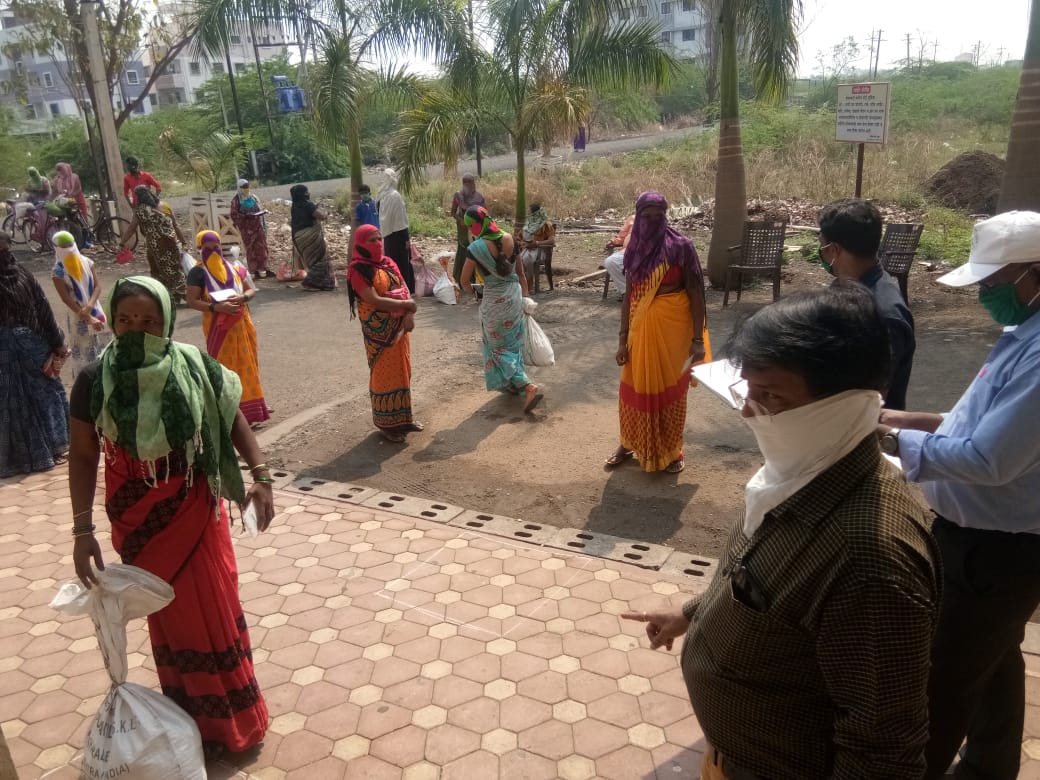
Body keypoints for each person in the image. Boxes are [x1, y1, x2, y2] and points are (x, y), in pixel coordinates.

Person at [624, 286, 941, 779]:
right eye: (746, 390)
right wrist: (693, 612)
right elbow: (763, 586)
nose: (749, 412)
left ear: (846, 401)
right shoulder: (798, 475)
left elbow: (882, 751)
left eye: (769, 394)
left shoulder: (870, 557)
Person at [67, 275, 274, 760]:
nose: (136, 329)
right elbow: (81, 456)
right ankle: (193, 723)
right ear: (112, 322)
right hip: (136, 518)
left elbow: (232, 418)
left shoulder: (192, 364)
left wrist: (260, 477)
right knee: (171, 619)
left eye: (149, 321)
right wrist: (82, 530)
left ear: (165, 320)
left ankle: (234, 723)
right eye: (124, 320)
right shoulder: (94, 380)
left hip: (194, 505)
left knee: (215, 606)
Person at [877, 210, 1040, 780]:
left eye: (994, 284)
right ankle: (991, 765)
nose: (985, 295)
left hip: (997, 548)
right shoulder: (1024, 334)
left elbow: (988, 458)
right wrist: (892, 415)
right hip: (982, 538)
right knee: (992, 658)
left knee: (943, 678)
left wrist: (891, 439)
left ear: (1035, 273)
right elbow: (973, 422)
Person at [605, 192, 709, 473]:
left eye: (657, 216)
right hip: (639, 332)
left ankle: (673, 450)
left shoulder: (680, 246)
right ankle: (628, 442)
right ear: (637, 217)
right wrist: (622, 339)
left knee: (669, 392)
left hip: (674, 332)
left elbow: (696, 292)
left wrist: (698, 340)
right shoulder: (635, 248)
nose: (651, 221)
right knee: (634, 388)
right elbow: (629, 296)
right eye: (645, 216)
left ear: (666, 216)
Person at [818, 198, 915, 410]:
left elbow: (871, 394)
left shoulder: (883, 313)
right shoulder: (845, 287)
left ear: (834, 250)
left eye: (822, 246)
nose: (822, 253)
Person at [460, 205, 542, 413]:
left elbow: (464, 282)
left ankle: (527, 385)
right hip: (514, 297)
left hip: (493, 302)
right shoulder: (509, 239)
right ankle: (514, 386)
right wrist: (525, 298)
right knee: (513, 344)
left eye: (471, 227)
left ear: (476, 226)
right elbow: (521, 274)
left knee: (496, 348)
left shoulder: (476, 248)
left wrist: (477, 293)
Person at [0, 230, 70, 477]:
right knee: (37, 397)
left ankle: (40, 451)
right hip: (24, 347)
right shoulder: (23, 275)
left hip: (23, 348)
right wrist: (56, 342)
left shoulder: (23, 275)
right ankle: (46, 449)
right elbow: (43, 308)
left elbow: (42, 308)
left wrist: (56, 343)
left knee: (33, 398)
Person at [185, 230, 271, 427]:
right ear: (200, 249)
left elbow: (250, 289)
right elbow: (192, 300)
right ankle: (231, 411)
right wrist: (216, 307)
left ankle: (254, 408)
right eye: (207, 248)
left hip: (242, 324)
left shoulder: (234, 267)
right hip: (219, 328)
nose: (212, 251)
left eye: (215, 247)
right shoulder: (198, 273)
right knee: (224, 368)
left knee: (248, 365)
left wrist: (243, 298)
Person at [347, 224, 424, 443]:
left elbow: (403, 287)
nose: (378, 243)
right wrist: (407, 306)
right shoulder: (358, 270)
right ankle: (386, 424)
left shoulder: (388, 263)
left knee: (403, 369)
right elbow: (374, 300)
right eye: (372, 240)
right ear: (361, 244)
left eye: (379, 238)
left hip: (399, 326)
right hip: (379, 331)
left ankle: (404, 418)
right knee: (384, 373)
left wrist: (408, 313)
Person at [51, 230, 112, 379]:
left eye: (70, 245)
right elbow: (66, 299)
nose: (69, 249)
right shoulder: (58, 271)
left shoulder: (87, 262)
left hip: (96, 310)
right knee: (85, 351)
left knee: (105, 345)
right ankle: (86, 384)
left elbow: (97, 287)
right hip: (77, 315)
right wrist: (87, 317)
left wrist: (90, 307)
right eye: (64, 247)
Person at [121, 186, 188, 304]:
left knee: (160, 271)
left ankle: (178, 295)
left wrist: (122, 242)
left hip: (156, 246)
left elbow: (132, 228)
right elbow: (175, 225)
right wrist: (183, 242)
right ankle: (174, 296)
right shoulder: (164, 205)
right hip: (172, 243)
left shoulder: (140, 210)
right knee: (174, 268)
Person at [289, 184, 335, 291]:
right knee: (320, 259)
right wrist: (325, 212)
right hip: (310, 236)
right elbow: (321, 216)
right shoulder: (308, 204)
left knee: (311, 260)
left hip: (298, 237)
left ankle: (318, 283)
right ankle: (312, 283)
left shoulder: (295, 206)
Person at [377, 168, 414, 294]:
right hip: (399, 236)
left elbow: (380, 215)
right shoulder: (395, 196)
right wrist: (407, 238)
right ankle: (405, 288)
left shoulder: (381, 196)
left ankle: (393, 287)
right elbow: (401, 220)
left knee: (391, 262)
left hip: (387, 236)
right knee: (403, 263)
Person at [230, 179, 272, 279]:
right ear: (239, 188)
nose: (246, 190)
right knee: (250, 249)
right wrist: (245, 216)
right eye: (244, 188)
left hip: (258, 227)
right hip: (247, 229)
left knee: (261, 247)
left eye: (247, 187)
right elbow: (234, 215)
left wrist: (262, 213)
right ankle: (253, 270)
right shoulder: (236, 201)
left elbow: (259, 209)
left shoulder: (253, 197)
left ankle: (263, 269)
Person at [450, 173, 485, 285]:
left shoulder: (479, 197)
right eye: (467, 183)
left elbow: (484, 213)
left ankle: (476, 279)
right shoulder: (458, 196)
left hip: (476, 227)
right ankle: (462, 278)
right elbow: (453, 212)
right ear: (463, 184)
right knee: (465, 250)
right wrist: (460, 220)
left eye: (472, 183)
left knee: (476, 250)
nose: (470, 185)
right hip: (463, 228)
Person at [519, 202, 556, 286]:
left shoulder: (546, 225)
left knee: (526, 259)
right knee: (517, 259)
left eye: (530, 212)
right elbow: (519, 238)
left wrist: (537, 243)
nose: (529, 214)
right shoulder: (527, 225)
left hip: (540, 251)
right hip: (525, 249)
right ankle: (522, 285)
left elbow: (551, 241)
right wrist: (521, 243)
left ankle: (528, 285)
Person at [603, 213, 635, 296]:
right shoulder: (633, 218)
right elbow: (622, 237)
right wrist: (613, 241)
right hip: (628, 252)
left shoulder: (658, 220)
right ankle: (627, 293)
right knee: (611, 261)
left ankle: (641, 292)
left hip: (648, 254)